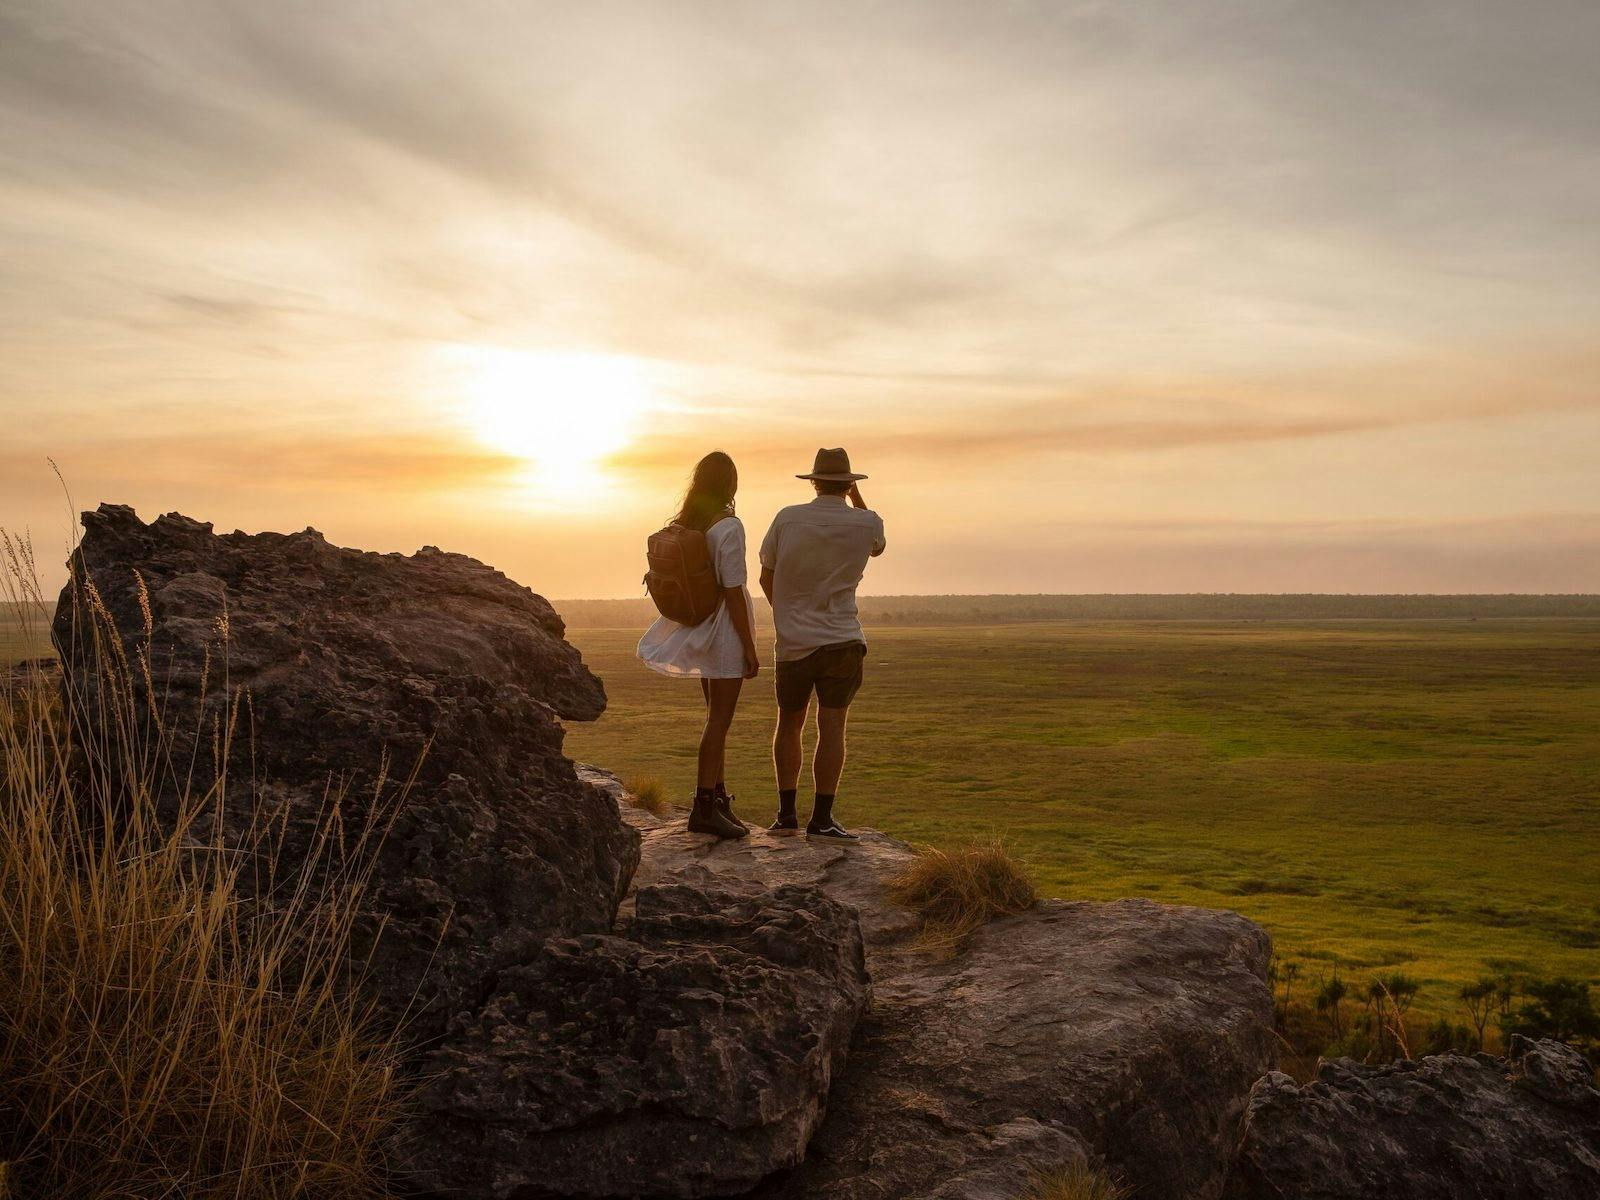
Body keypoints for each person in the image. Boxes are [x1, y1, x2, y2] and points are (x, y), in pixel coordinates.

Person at [758, 447, 885, 841]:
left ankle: (785, 815)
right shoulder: (866, 523)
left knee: (788, 724)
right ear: (848, 485)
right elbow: (878, 545)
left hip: (794, 641)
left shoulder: (787, 518)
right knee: (832, 728)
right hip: (842, 639)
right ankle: (823, 818)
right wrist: (856, 497)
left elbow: (766, 576)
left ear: (813, 482)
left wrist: (789, 614)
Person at [638, 450, 760, 840]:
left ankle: (719, 799)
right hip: (723, 632)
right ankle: (704, 807)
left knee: (715, 720)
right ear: (731, 485)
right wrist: (750, 645)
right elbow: (734, 591)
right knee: (719, 721)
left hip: (700, 628)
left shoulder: (689, 523)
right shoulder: (729, 527)